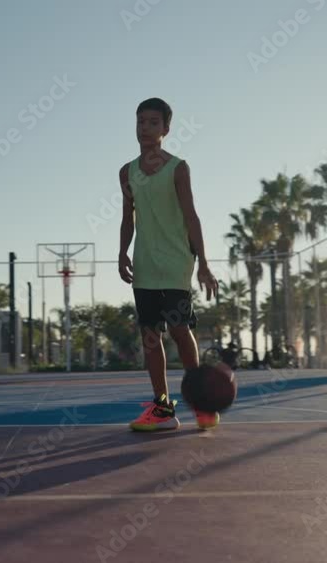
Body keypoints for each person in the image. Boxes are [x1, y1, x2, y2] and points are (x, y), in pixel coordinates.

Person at [118, 97, 219, 432]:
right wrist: (122, 252)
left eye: (153, 122)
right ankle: (163, 409)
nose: (145, 128)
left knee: (178, 330)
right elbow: (128, 218)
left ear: (166, 129)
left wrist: (204, 262)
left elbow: (191, 215)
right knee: (150, 336)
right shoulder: (127, 172)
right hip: (145, 263)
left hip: (177, 262)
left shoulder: (178, 168)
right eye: (140, 122)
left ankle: (201, 403)